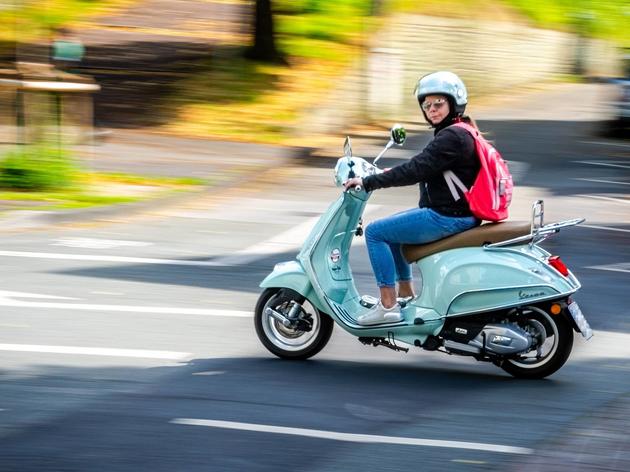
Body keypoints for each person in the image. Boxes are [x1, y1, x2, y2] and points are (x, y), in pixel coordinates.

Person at [343, 71, 482, 326]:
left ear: (454, 102)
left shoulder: (451, 136)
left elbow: (416, 169)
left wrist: (368, 181)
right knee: (393, 229)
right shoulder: (459, 131)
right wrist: (386, 173)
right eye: (427, 105)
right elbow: (426, 167)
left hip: (447, 216)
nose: (432, 109)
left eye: (438, 103)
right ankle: (405, 294)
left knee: (375, 232)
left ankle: (387, 305)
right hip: (457, 213)